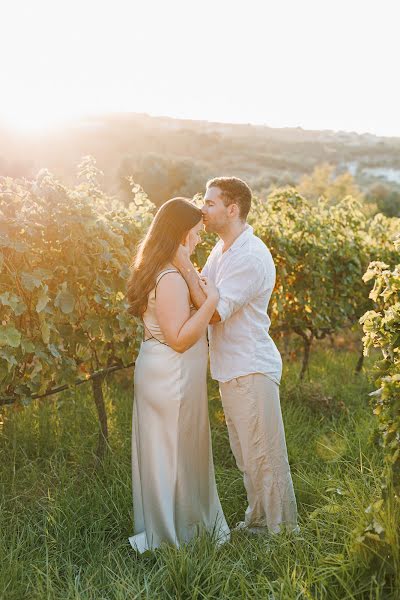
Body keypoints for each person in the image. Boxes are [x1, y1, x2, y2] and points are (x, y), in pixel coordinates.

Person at [173, 177, 300, 535]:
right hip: (230, 366)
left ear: (232, 209)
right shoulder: (222, 250)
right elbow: (203, 291)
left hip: (250, 365)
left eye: (210, 203)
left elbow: (213, 311)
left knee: (266, 456)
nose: (203, 208)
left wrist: (183, 266)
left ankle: (283, 534)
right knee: (248, 455)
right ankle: (259, 522)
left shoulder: (251, 256)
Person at [126, 197, 230, 553]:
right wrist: (214, 301)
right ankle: (172, 537)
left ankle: (181, 526)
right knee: (170, 451)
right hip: (170, 376)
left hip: (171, 376)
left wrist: (187, 266)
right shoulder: (168, 278)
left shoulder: (171, 269)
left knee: (176, 449)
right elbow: (181, 339)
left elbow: (196, 303)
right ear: (182, 234)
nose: (200, 240)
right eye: (197, 234)